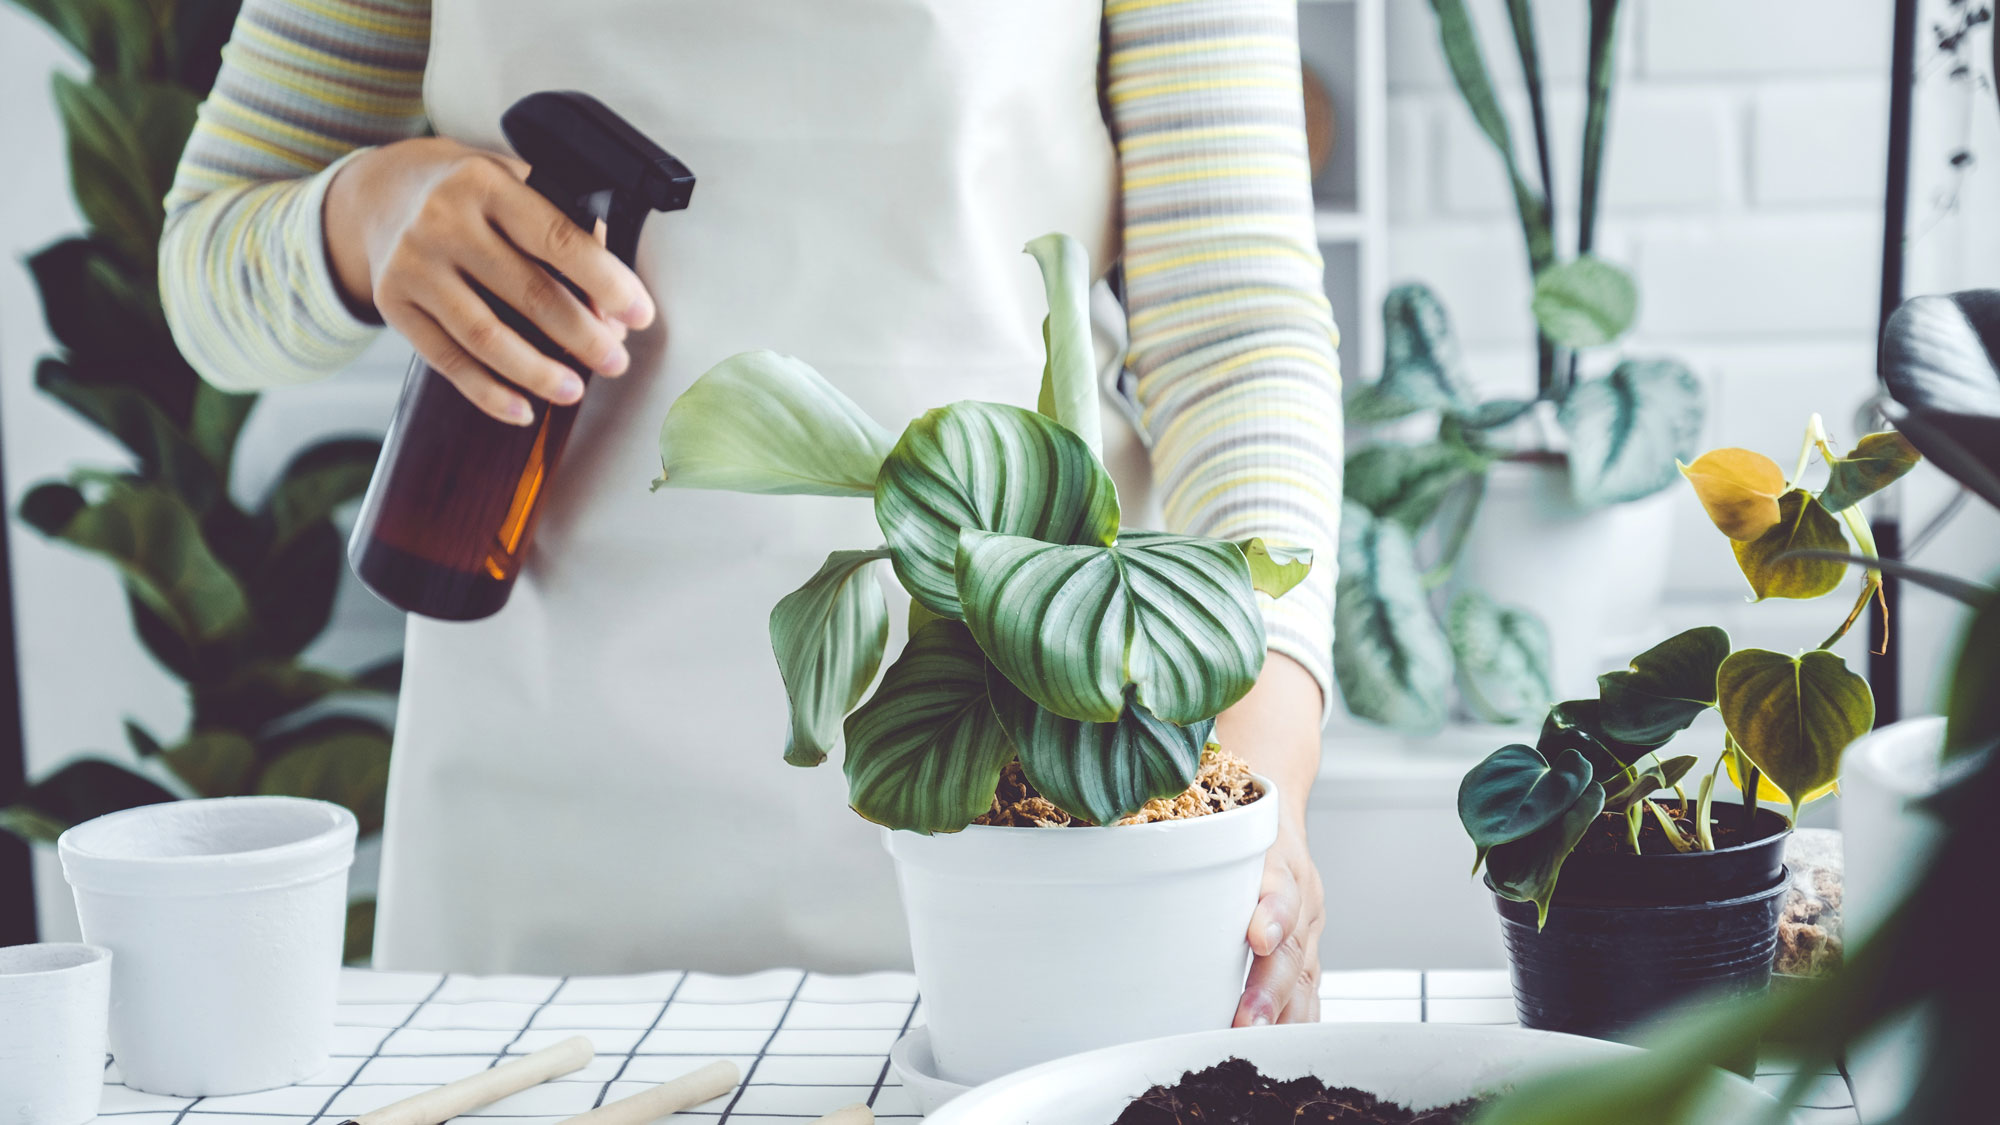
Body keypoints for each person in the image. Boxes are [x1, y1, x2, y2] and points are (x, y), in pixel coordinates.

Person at [160, 0, 1343, 1026]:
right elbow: (208, 274)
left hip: (1027, 792)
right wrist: (365, 216)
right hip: (543, 805)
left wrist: (1257, 778)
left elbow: (1235, 333)